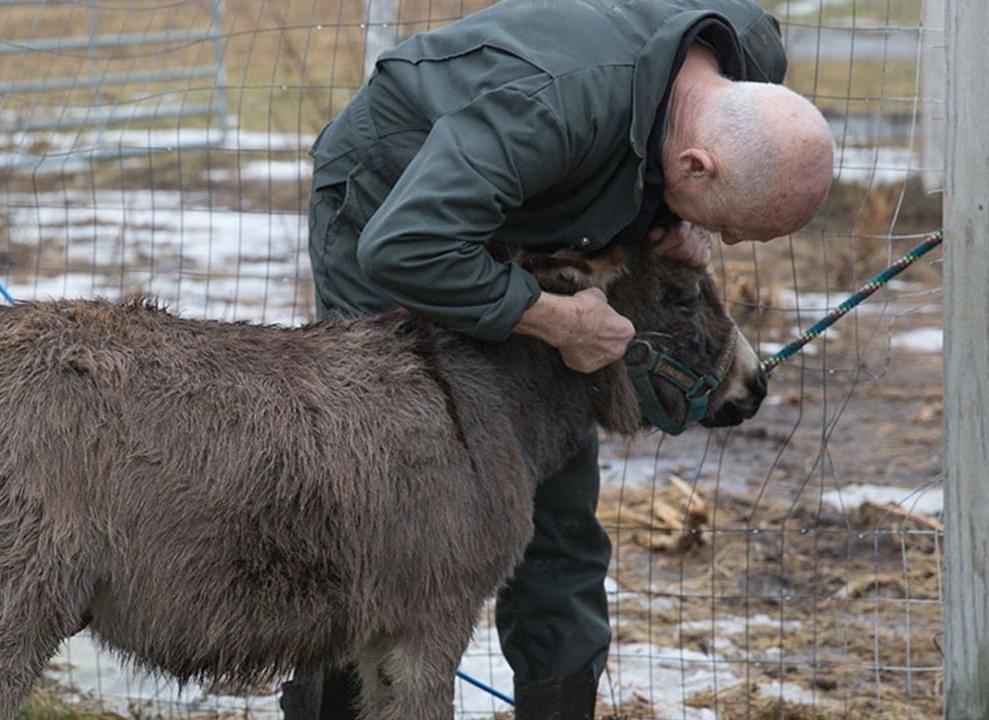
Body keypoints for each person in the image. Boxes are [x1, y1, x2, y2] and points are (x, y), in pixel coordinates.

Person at [280, 0, 836, 718]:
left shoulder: (750, 61)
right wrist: (553, 320)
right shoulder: (550, 108)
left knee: (554, 509)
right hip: (396, 206)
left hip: (541, 207)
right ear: (696, 162)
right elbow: (405, 244)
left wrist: (678, 218)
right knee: (380, 500)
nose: (718, 244)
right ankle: (336, 703)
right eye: (725, 226)